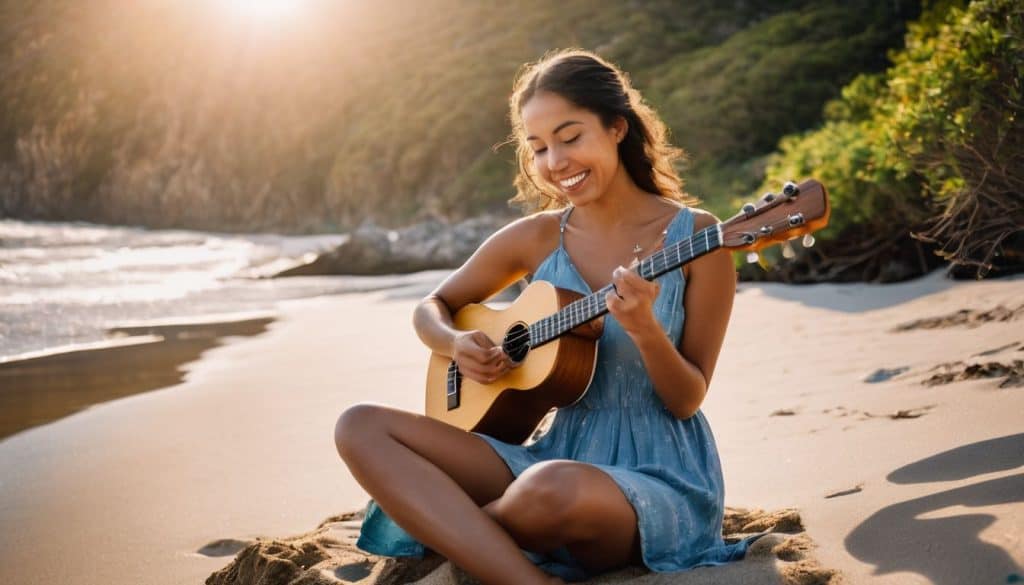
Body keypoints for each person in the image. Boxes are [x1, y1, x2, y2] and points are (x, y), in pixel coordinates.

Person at [334, 48, 762, 585]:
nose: (555, 162)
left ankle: (460, 534)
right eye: (537, 147)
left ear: (616, 128)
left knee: (548, 489)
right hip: (554, 449)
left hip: (658, 475)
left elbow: (686, 398)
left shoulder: (699, 240)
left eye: (570, 136)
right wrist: (452, 343)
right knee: (360, 425)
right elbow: (432, 307)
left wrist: (646, 331)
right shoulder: (535, 238)